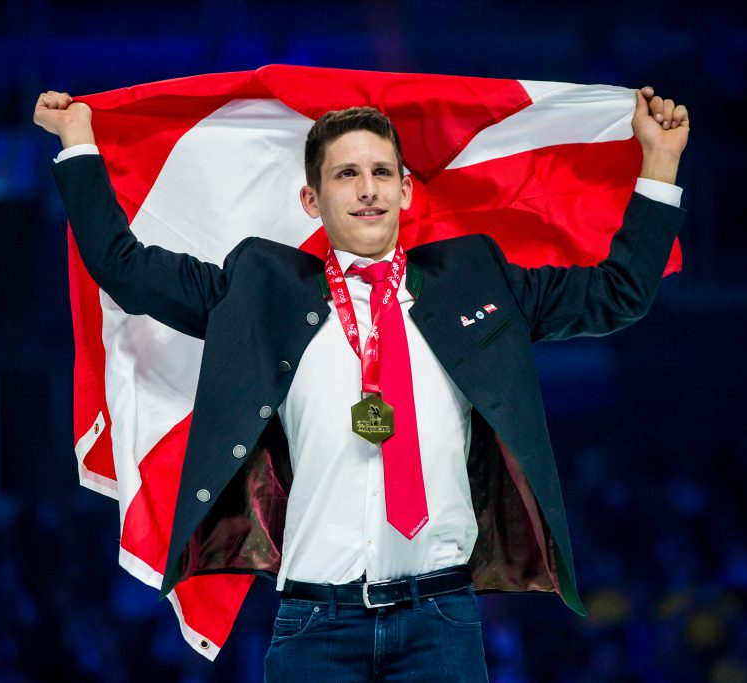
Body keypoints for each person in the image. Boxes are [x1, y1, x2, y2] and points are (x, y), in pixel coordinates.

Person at [34, 83, 689, 682]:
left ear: (406, 190)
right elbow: (126, 269)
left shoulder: (477, 278)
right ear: (311, 200)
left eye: (382, 172)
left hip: (441, 621)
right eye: (347, 174)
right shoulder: (262, 290)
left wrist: (658, 163)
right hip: (314, 628)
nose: (368, 188)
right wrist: (79, 143)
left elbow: (618, 294)